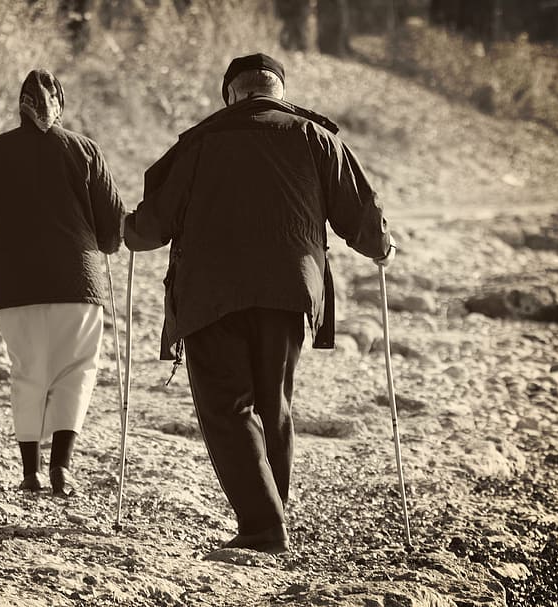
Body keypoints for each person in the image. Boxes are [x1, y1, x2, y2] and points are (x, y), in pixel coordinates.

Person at [124, 53, 395, 553]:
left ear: (232, 93)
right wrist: (382, 247)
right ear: (278, 91)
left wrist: (127, 229)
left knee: (227, 407)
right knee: (275, 405)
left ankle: (263, 527)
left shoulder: (200, 141)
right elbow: (359, 211)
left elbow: (152, 226)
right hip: (291, 291)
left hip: (212, 294)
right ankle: (272, 516)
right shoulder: (317, 137)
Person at [0, 69, 126, 497]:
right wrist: (107, 243)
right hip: (79, 285)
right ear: (62, 105)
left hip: (17, 286)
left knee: (27, 373)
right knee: (75, 373)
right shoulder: (86, 151)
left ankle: (30, 472)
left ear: (20, 108)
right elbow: (112, 228)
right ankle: (62, 469)